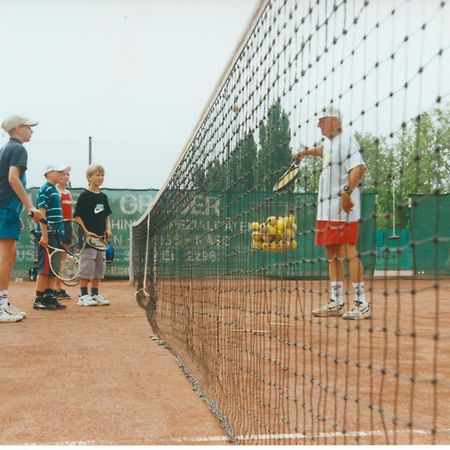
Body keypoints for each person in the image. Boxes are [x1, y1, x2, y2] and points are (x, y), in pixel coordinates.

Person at [294, 106, 370, 320]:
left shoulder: (347, 141)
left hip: (343, 210)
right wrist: (303, 153)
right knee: (331, 254)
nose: (318, 124)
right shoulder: (330, 145)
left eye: (322, 120)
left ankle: (362, 303)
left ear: (335, 122)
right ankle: (337, 302)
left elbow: (359, 167)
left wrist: (347, 192)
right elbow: (321, 150)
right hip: (326, 211)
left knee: (348, 252)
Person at [0, 115, 42, 323]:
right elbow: (12, 179)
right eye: (28, 127)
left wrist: (17, 212)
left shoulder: (6, 149)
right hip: (5, 209)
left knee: (11, 255)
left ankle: (4, 302)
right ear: (17, 129)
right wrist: (30, 206)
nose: (31, 131)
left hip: (8, 210)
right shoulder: (17, 149)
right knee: (6, 257)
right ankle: (0, 306)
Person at [32, 162, 69, 310]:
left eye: (63, 172)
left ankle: (49, 297)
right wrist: (44, 235)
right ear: (49, 174)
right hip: (47, 234)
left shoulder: (54, 190)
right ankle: (39, 298)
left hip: (56, 234)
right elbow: (41, 213)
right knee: (44, 268)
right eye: (59, 172)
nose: (62, 174)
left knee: (53, 268)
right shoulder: (45, 189)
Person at [74, 164, 112, 306]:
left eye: (102, 175)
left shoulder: (103, 196)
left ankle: (95, 294)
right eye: (97, 175)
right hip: (87, 239)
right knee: (87, 265)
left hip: (101, 239)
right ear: (89, 177)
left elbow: (106, 216)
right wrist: (86, 231)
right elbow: (77, 216)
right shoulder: (84, 196)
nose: (100, 177)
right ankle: (83, 295)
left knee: (99, 266)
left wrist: (108, 229)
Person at [54, 167, 73, 300]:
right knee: (57, 259)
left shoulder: (68, 193)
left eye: (68, 175)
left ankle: (59, 288)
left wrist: (71, 230)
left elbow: (69, 213)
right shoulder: (56, 191)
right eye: (64, 174)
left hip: (67, 226)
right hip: (58, 226)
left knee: (63, 258)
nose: (66, 177)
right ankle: (54, 289)